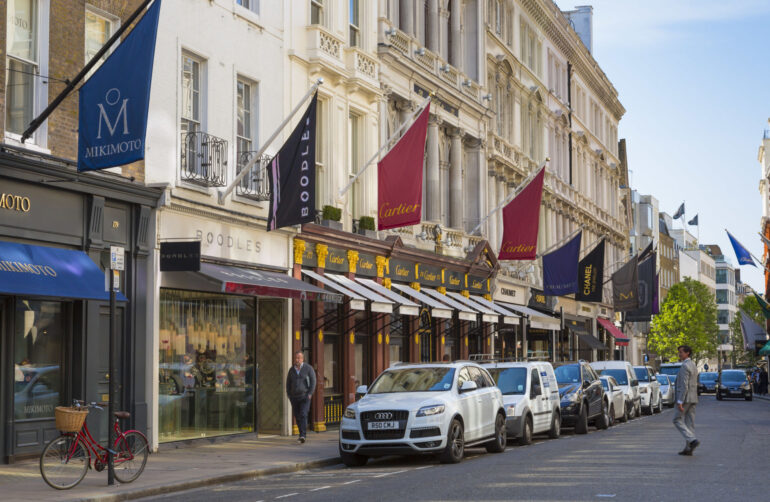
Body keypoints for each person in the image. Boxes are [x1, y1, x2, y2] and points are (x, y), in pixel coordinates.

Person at [673, 345, 699, 456]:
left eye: (681, 352)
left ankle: (692, 440)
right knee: (690, 423)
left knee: (677, 419)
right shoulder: (693, 365)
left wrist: (680, 401)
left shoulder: (685, 366)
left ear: (687, 353)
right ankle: (688, 449)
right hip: (693, 398)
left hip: (685, 398)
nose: (679, 354)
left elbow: (684, 385)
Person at [285, 351, 316, 444]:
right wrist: (289, 395)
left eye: (299, 358)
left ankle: (303, 435)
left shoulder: (308, 368)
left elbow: (313, 381)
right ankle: (301, 434)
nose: (297, 360)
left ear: (303, 359)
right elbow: (288, 383)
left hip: (305, 396)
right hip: (294, 397)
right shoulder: (291, 370)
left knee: (303, 414)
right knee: (297, 416)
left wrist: (310, 394)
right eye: (296, 358)